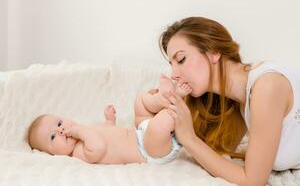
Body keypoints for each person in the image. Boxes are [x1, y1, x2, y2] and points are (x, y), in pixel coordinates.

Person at [159, 16, 300, 185]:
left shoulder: (267, 86)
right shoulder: (239, 100)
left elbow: (253, 181)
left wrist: (189, 139)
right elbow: (216, 157)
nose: (173, 74)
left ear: (213, 52)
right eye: (172, 64)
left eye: (181, 59)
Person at [26, 74, 191, 164]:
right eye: (53, 137)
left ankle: (162, 98)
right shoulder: (78, 155)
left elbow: (106, 133)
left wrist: (109, 120)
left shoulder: (84, 133)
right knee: (157, 127)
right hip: (151, 151)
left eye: (59, 123)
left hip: (141, 133)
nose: (60, 130)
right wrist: (78, 130)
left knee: (140, 101)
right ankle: (176, 99)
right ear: (52, 154)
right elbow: (99, 146)